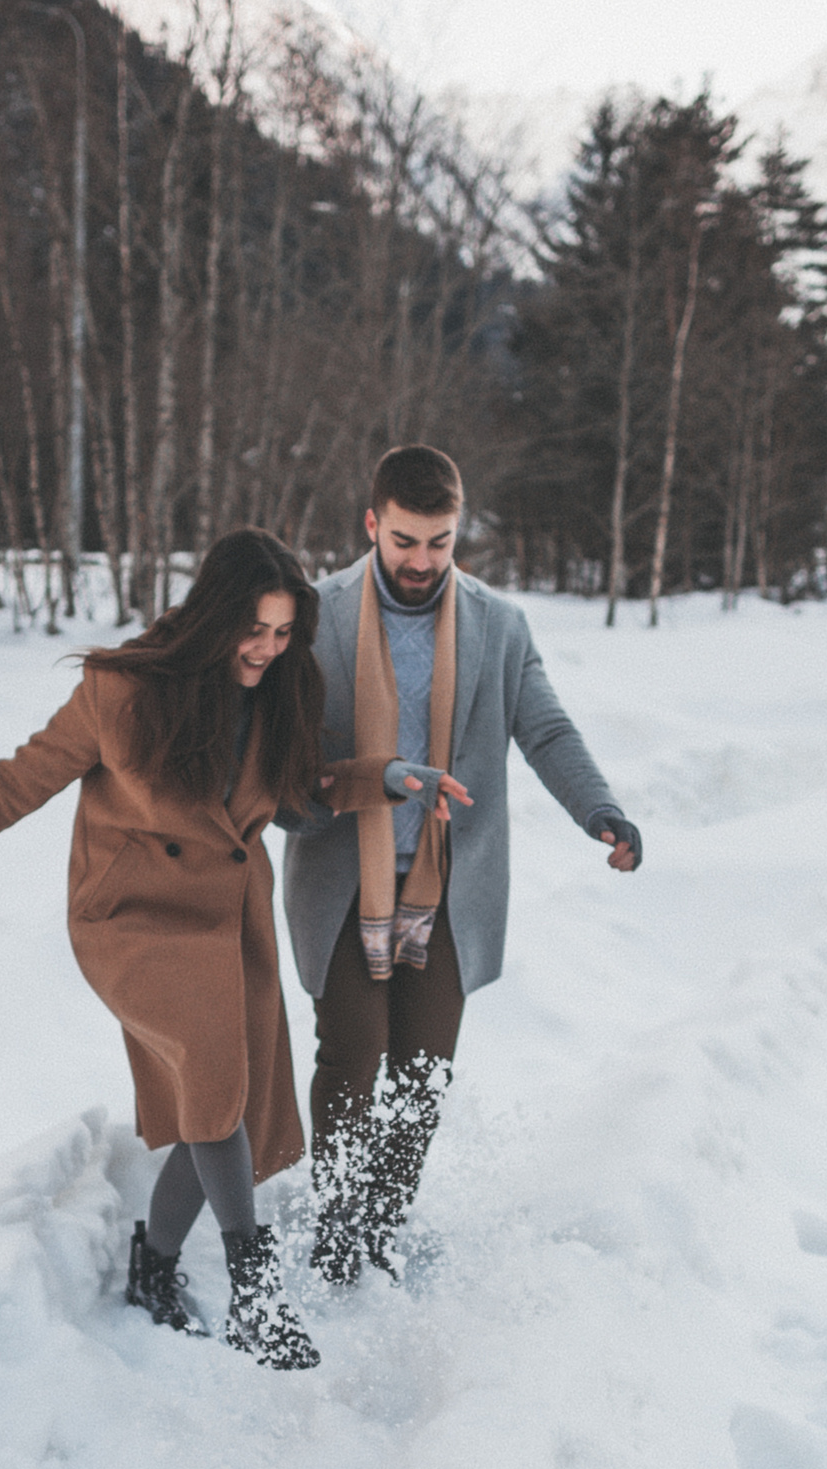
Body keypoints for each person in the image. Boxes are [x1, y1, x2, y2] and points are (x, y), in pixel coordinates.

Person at [0, 528, 390, 1368]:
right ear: (215, 616)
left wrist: (387, 779)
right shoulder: (122, 691)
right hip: (131, 918)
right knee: (214, 1075)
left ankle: (152, 1266)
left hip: (227, 916)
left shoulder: (279, 688)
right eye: (253, 630)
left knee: (221, 1102)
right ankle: (255, 1288)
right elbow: (8, 788)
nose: (267, 649)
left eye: (281, 633)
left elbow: (299, 798)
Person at [283, 445, 642, 1285]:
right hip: (344, 876)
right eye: (404, 540)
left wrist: (601, 810)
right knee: (352, 1057)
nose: (421, 560)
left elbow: (545, 729)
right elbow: (284, 752)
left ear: (459, 532)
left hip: (448, 885)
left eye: (439, 542)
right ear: (372, 525)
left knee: (423, 1073)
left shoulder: (499, 625)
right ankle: (336, 1231)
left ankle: (380, 1225)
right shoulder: (317, 615)